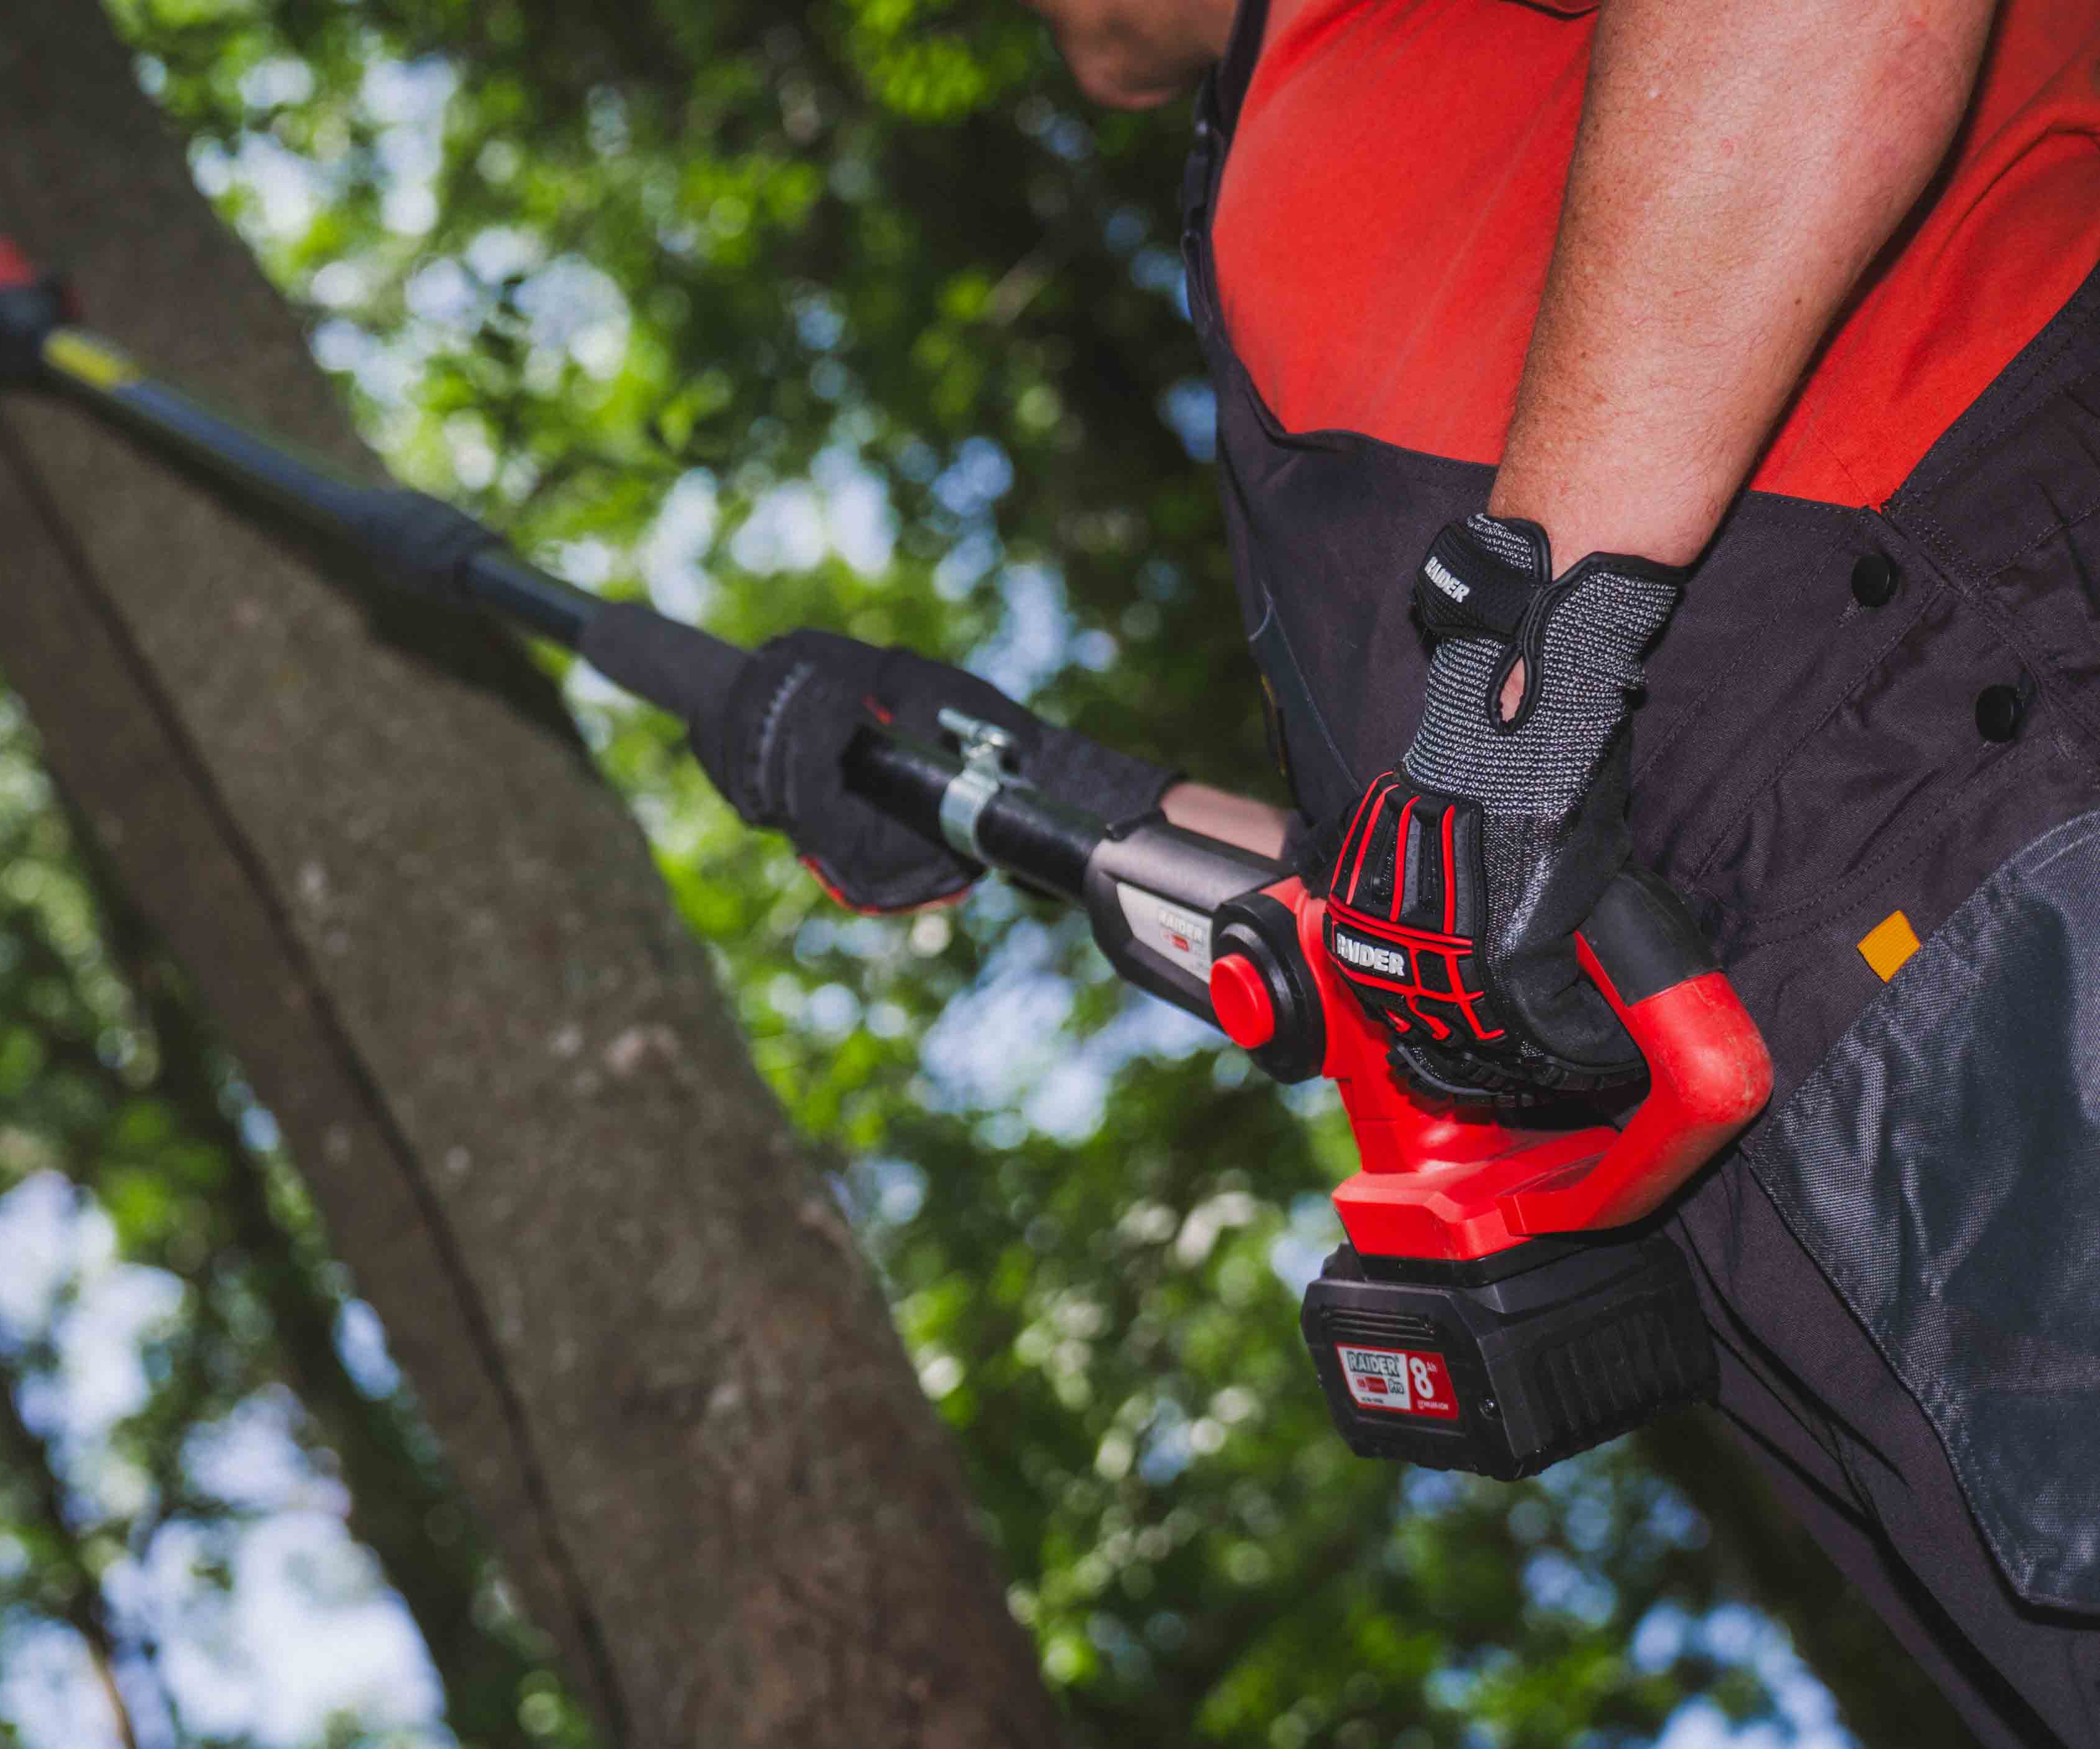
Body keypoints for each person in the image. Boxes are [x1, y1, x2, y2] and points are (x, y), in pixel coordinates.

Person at [688, 0, 2100, 1742]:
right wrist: (1032, 792)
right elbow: (1424, 902)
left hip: (1996, 811)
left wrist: (1522, 687)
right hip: (1863, 1154)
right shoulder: (1302, 162)